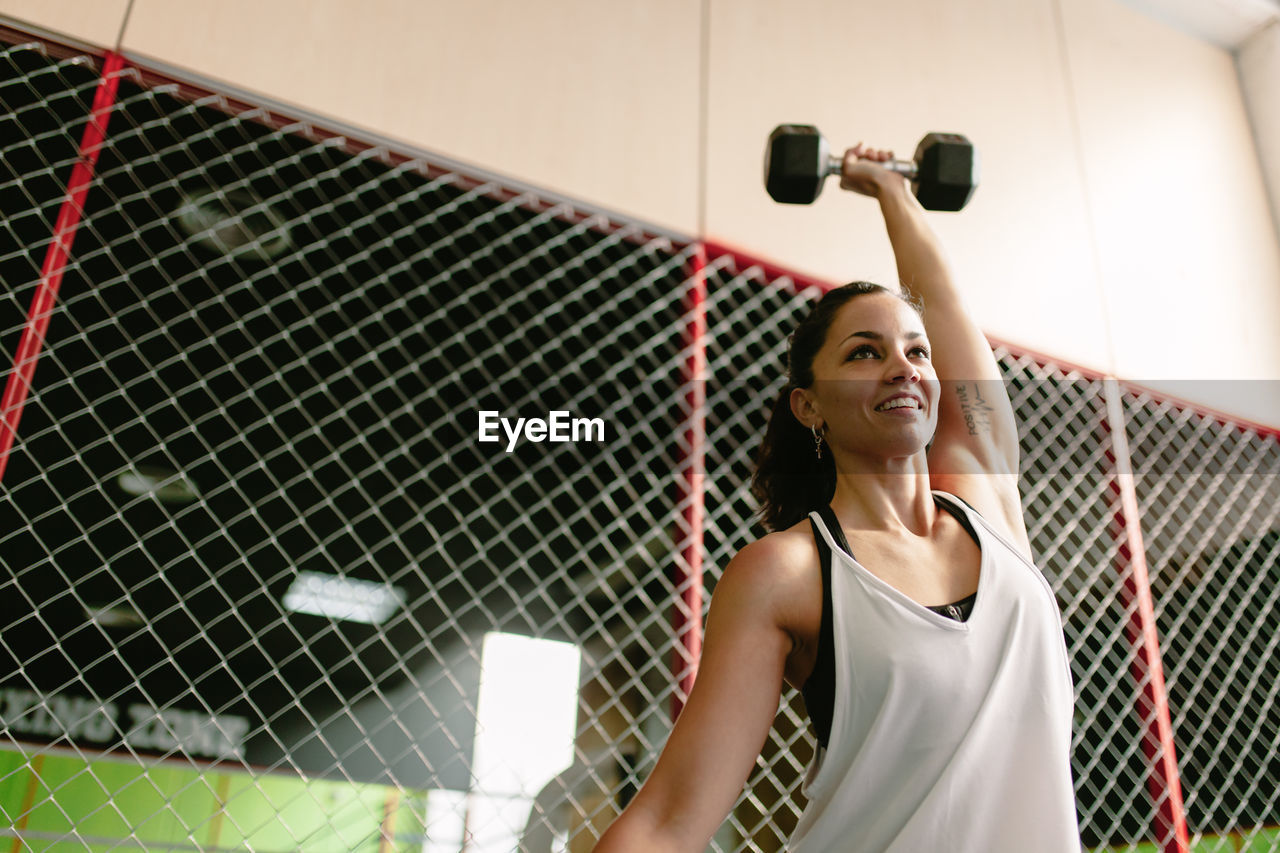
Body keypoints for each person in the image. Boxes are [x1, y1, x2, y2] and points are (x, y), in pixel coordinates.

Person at [592, 143, 1082, 852]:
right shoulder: (787, 572)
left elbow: (941, 300)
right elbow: (670, 818)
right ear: (809, 406)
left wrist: (889, 189)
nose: (902, 368)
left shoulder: (989, 495)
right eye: (863, 352)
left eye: (916, 352)